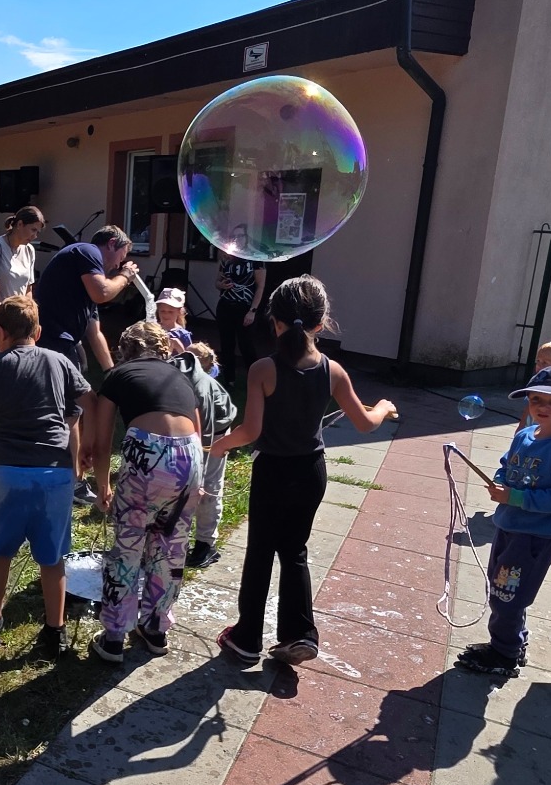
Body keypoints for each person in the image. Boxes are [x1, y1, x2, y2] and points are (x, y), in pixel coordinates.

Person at [212, 274, 397, 668]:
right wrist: (382, 407)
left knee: (260, 552)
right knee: (294, 552)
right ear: (320, 322)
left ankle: (246, 639)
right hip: (310, 473)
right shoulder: (333, 370)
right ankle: (300, 635)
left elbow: (251, 432)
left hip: (273, 474)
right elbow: (365, 423)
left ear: (274, 321)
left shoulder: (263, 369)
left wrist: (216, 445)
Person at [0, 293, 93, 655]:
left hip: (8, 475)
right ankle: (54, 631)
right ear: (39, 331)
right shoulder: (60, 361)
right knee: (52, 558)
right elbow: (90, 403)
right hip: (55, 476)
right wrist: (88, 448)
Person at [455, 364, 551, 680]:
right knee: (502, 587)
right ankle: (513, 641)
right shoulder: (527, 435)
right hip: (510, 526)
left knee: (508, 594)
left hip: (535, 536)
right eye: (535, 400)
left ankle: (503, 655)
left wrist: (515, 498)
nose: (542, 407)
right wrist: (500, 481)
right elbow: (507, 466)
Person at [83, 320, 204, 665]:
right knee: (170, 548)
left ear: (126, 351)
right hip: (189, 457)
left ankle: (114, 638)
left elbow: (104, 440)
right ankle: (155, 629)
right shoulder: (180, 378)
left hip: (147, 454)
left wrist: (103, 484)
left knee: (128, 547)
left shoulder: (120, 376)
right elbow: (197, 430)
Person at [35, 223, 137, 373]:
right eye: (120, 257)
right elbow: (102, 293)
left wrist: (111, 372)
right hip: (52, 338)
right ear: (111, 243)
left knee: (79, 378)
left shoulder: (88, 280)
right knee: (68, 391)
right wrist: (125, 276)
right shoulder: (88, 250)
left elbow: (94, 333)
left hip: (65, 340)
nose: (117, 265)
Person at [181, 339, 238, 571]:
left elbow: (204, 434)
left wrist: (199, 475)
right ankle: (180, 540)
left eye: (191, 357)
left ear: (203, 364)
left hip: (215, 434)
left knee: (208, 488)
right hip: (198, 430)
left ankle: (206, 545)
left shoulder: (202, 387)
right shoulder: (183, 376)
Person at [0, 206, 45, 350]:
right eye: (33, 230)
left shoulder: (29, 250)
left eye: (37, 232)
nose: (35, 236)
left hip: (19, 323)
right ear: (19, 225)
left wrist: (31, 315)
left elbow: (28, 288)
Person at [214, 240, 267, 379]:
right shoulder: (227, 258)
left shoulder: (256, 260)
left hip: (245, 308)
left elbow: (260, 286)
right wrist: (221, 285)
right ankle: (229, 379)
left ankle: (255, 378)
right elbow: (217, 282)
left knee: (246, 345)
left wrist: (253, 310)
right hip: (225, 305)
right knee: (226, 344)